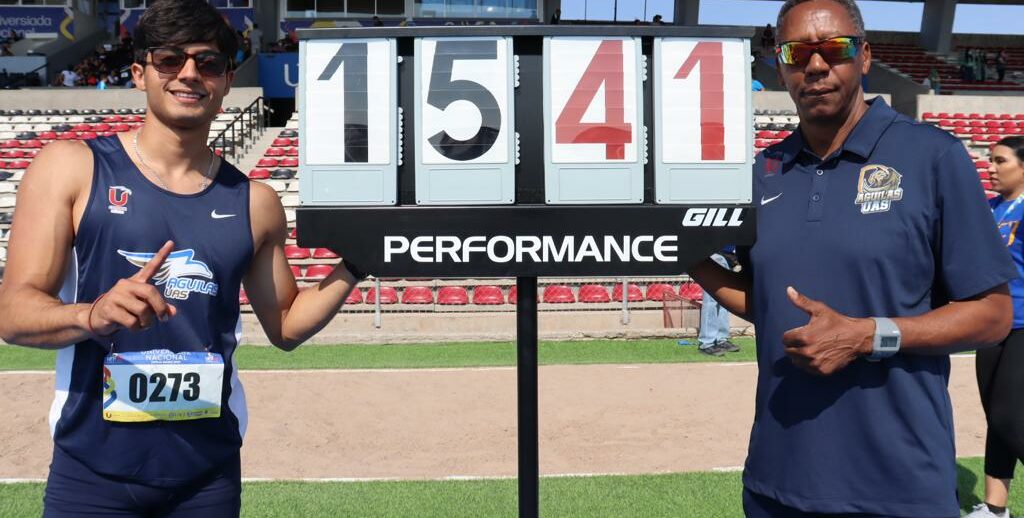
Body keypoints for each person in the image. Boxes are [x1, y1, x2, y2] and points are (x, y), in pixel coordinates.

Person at [0, 1, 363, 516]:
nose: (189, 73)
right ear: (139, 72)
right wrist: (91, 313)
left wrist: (356, 265)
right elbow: (13, 316)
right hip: (91, 474)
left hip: (207, 477)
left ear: (226, 80)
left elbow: (284, 326)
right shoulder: (70, 168)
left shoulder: (255, 202)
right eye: (170, 59)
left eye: (208, 62)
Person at [689, 0, 1016, 515]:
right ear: (780, 64)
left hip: (898, 489)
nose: (815, 65)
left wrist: (867, 335)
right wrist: (690, 258)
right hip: (776, 486)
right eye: (797, 53)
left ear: (864, 56)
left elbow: (995, 315)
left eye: (833, 49)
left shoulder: (933, 156)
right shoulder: (763, 171)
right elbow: (768, 303)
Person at [965, 137, 1024, 518]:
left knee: (1008, 415)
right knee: (995, 416)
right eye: (989, 160)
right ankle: (994, 509)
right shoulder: (989, 209)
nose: (991, 167)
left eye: (1000, 161)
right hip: (990, 324)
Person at [698, 252, 740, 356]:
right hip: (710, 254)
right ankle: (706, 342)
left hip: (725, 257)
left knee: (724, 301)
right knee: (710, 300)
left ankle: (721, 339)